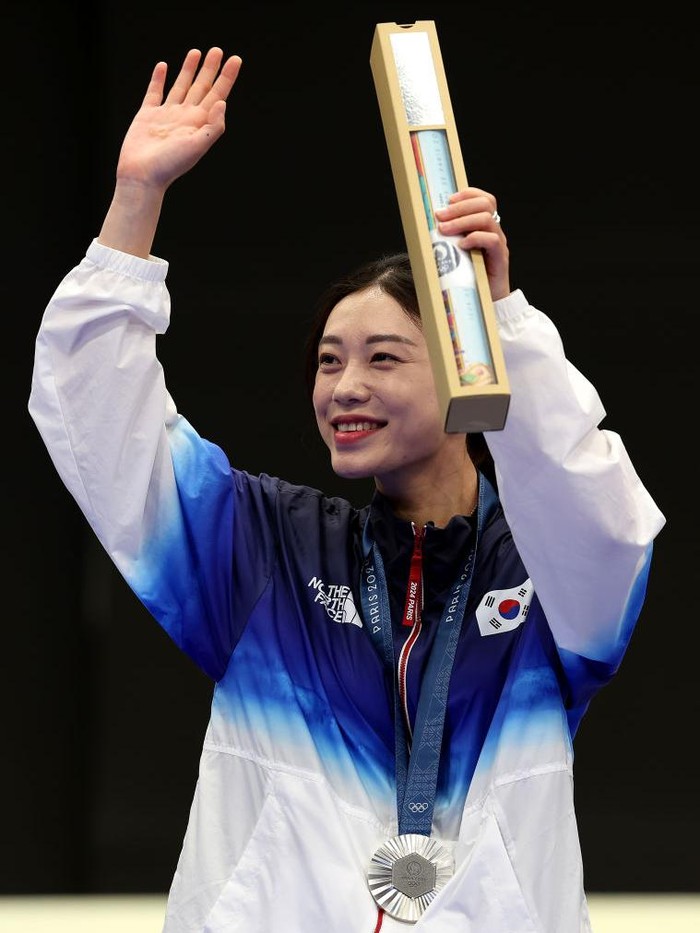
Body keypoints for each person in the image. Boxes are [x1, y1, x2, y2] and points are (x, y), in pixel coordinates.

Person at [29, 46, 665, 933]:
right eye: (328, 361)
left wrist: (501, 324)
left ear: (455, 372)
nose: (343, 387)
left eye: (381, 357)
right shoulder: (264, 547)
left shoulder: (547, 580)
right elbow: (99, 425)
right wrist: (135, 201)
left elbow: (600, 511)